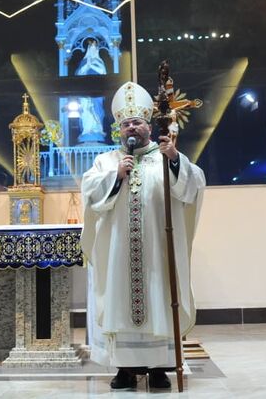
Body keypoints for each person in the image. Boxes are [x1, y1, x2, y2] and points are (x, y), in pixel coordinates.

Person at [80, 81, 205, 390]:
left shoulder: (165, 155)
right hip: (119, 252)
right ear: (118, 129)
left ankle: (159, 368)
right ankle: (125, 368)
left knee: (160, 299)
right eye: (125, 123)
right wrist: (115, 176)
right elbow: (90, 191)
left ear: (148, 125)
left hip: (157, 253)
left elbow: (193, 186)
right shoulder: (106, 161)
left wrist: (175, 159)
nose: (131, 127)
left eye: (136, 122)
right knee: (120, 301)